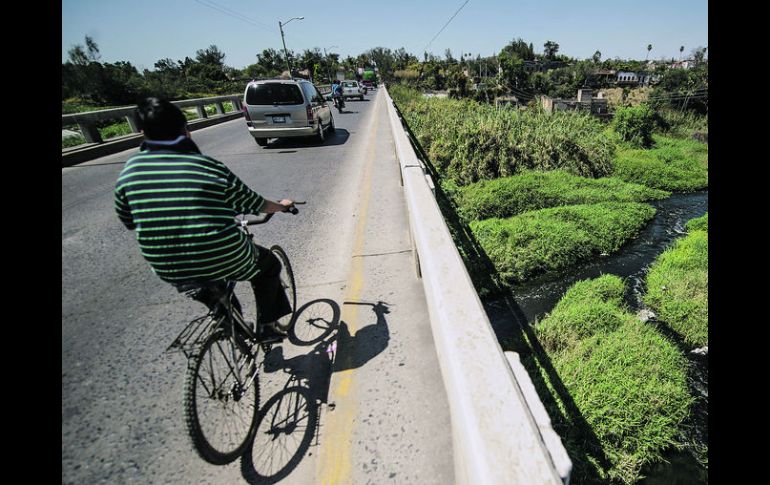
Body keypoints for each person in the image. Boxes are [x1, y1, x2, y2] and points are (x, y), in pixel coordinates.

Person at [114, 97, 293, 341]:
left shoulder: (129, 172)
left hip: (168, 267)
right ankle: (267, 327)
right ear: (184, 129)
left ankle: (234, 330)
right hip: (222, 254)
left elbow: (129, 221)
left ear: (142, 133)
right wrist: (281, 207)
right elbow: (254, 204)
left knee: (213, 291)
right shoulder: (205, 166)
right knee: (268, 266)